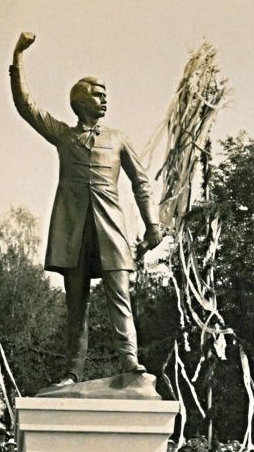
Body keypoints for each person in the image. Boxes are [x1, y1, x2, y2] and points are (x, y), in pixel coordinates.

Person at [10, 32, 162, 386]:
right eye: (97, 94)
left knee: (119, 296)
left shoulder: (118, 139)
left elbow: (141, 181)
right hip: (74, 231)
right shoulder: (63, 135)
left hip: (111, 229)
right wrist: (18, 57)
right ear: (79, 102)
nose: (104, 99)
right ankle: (72, 372)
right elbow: (25, 106)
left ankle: (130, 363)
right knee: (76, 306)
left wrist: (152, 223)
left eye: (106, 95)